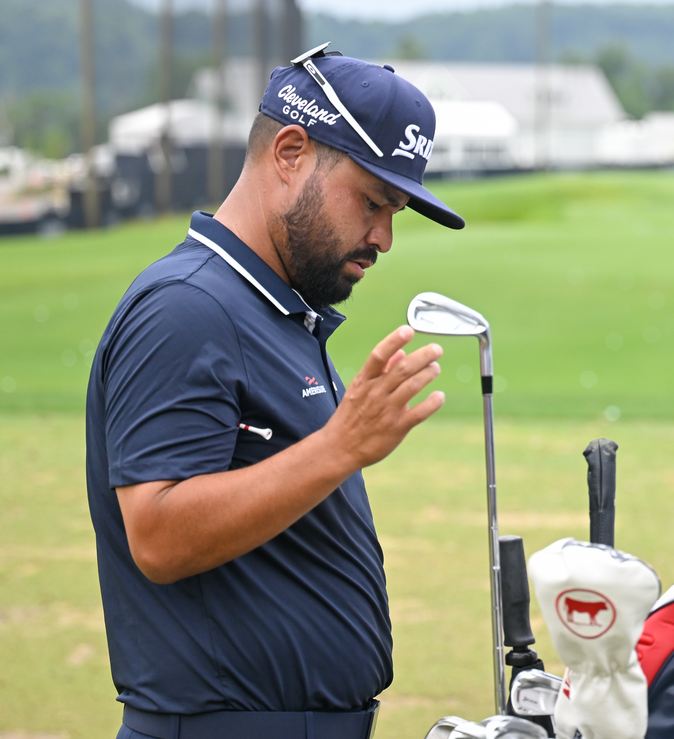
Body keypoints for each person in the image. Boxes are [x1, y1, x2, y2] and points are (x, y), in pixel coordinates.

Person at [85, 45, 463, 739]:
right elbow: (159, 535)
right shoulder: (188, 307)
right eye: (372, 202)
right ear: (290, 151)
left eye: (396, 212)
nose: (383, 236)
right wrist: (340, 447)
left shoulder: (274, 309)